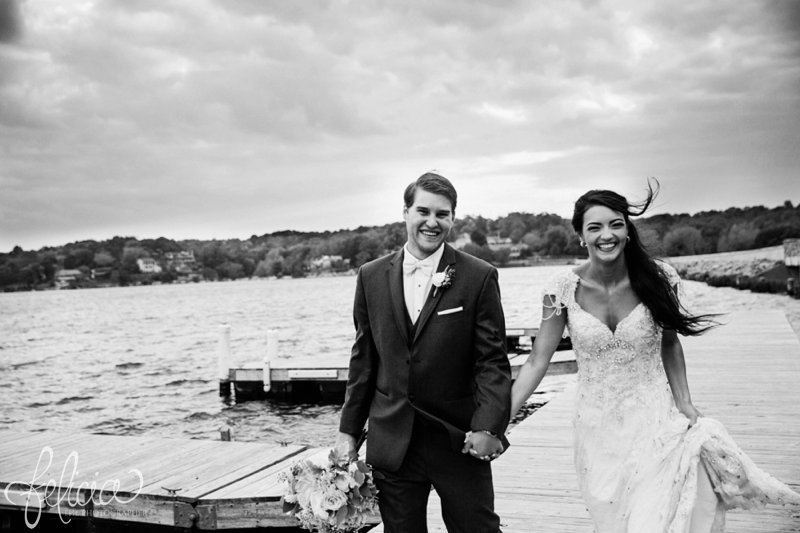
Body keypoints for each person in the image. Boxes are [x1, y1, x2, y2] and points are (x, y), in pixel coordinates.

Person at [510, 181, 800, 532]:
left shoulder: (659, 278)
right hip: (595, 428)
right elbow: (537, 361)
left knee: (654, 515)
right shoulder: (561, 289)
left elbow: (670, 343)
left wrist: (686, 402)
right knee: (615, 521)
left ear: (627, 231)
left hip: (655, 419)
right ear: (580, 237)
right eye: (595, 227)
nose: (607, 234)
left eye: (616, 224)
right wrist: (499, 420)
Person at [337, 172, 512, 533]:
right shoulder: (370, 276)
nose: (432, 222)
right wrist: (348, 432)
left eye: (443, 214)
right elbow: (363, 361)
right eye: (423, 211)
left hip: (458, 439)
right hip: (393, 441)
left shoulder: (478, 276)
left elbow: (491, 363)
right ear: (405, 212)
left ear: (452, 217)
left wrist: (488, 426)